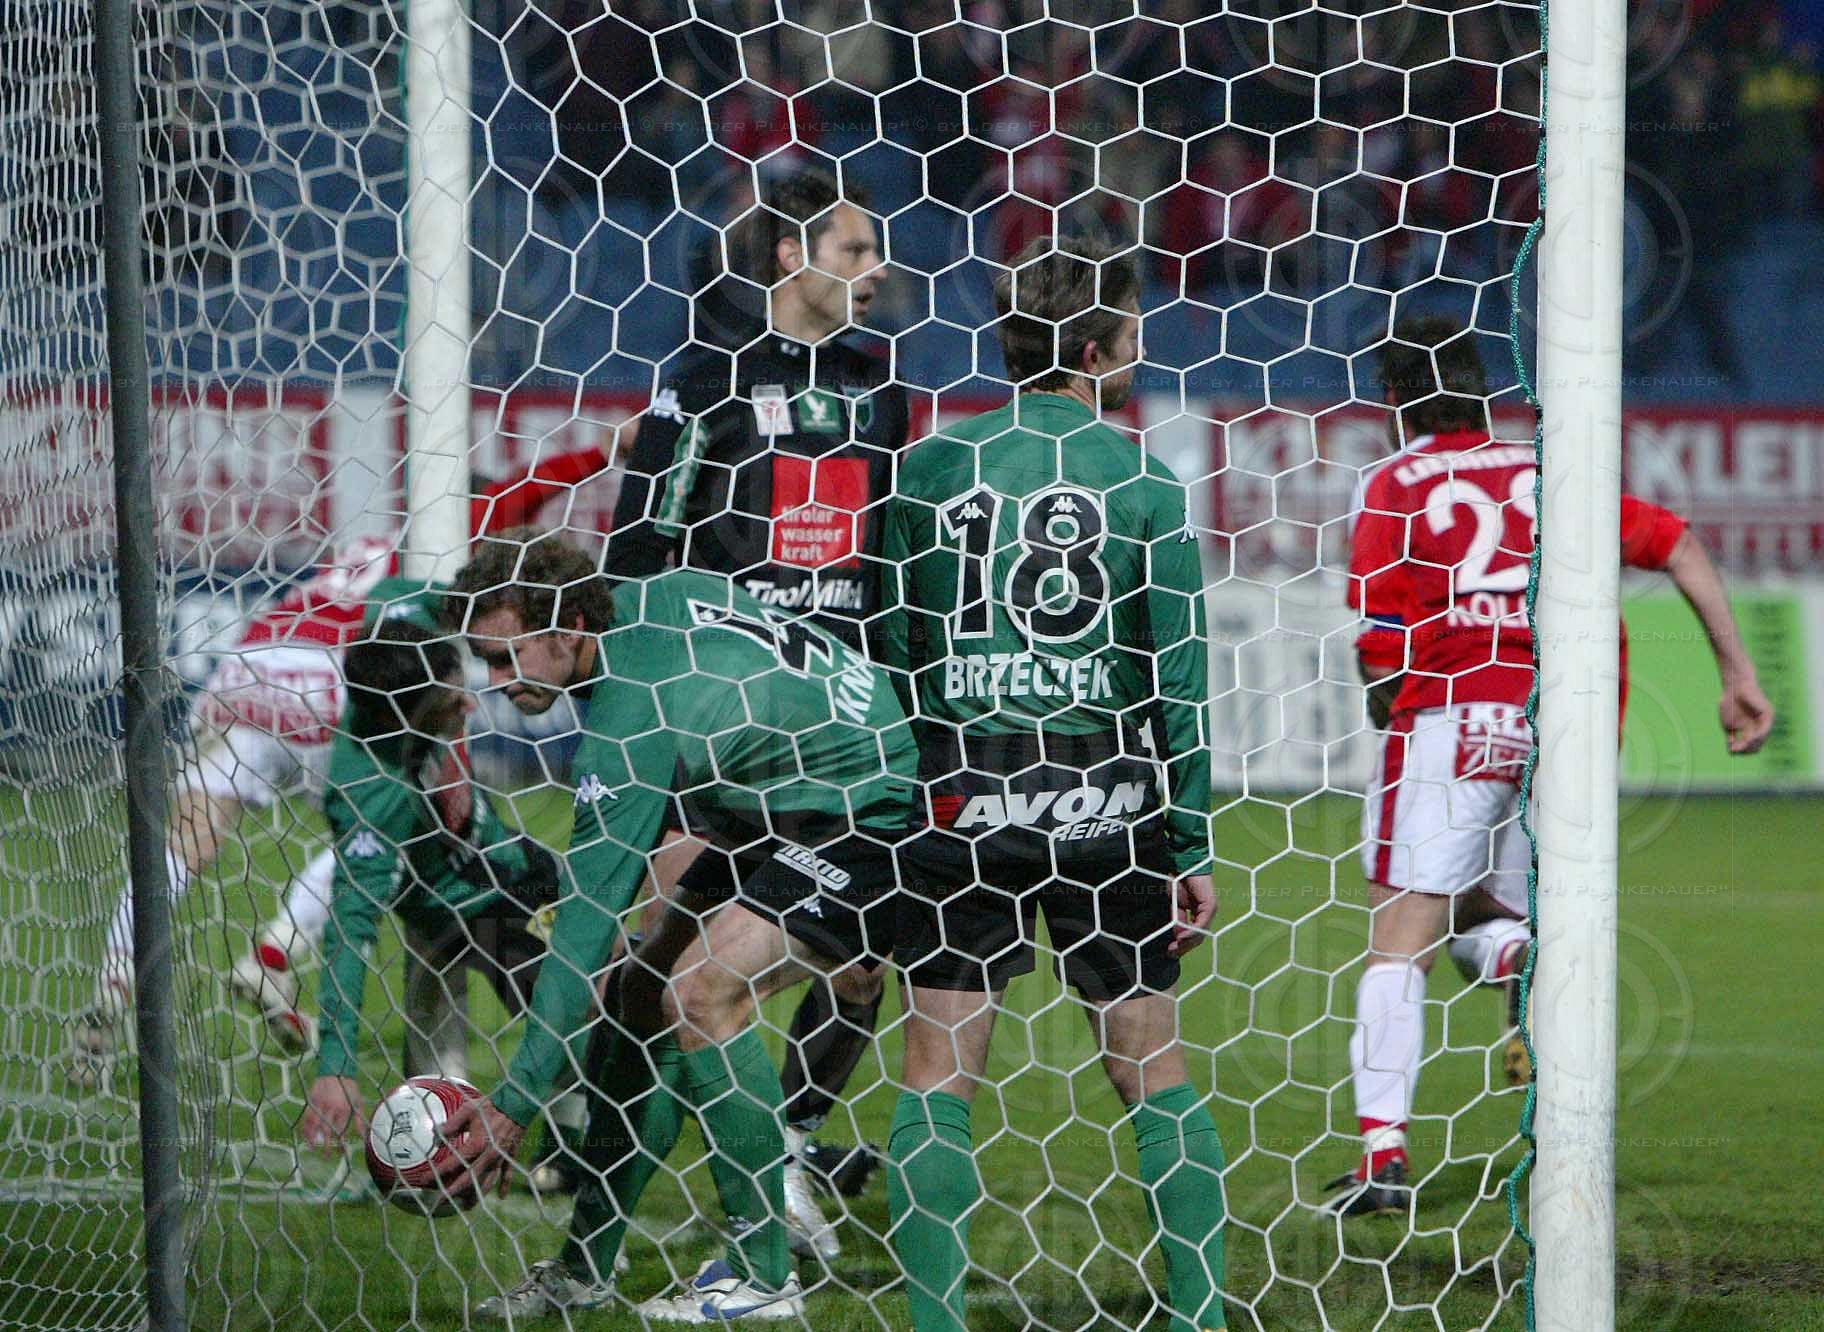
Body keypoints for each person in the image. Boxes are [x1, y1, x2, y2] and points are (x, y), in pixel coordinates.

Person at [1333, 314, 1777, 1216]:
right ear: (1479, 388)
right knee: (1486, 912)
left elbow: (1381, 645)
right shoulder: (1548, 470)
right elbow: (1678, 544)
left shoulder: (1392, 481)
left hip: (1453, 720)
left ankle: (1382, 1158)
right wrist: (1737, 674)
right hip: (1560, 729)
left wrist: (1386, 699)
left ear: (1390, 399)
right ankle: (1521, 960)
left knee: (1400, 936)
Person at [878, 235, 1229, 1332]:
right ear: (1092, 347)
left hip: (962, 791)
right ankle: (1202, 1314)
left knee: (939, 1065)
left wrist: (912, 782)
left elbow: (894, 646)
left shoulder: (931, 466)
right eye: (1129, 331)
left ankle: (936, 1319)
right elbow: (1178, 679)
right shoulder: (1142, 477)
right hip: (1105, 799)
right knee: (1150, 1062)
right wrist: (1192, 845)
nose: (1139, 348)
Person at [432, 532, 918, 1323]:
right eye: (484, 660)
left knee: (700, 998)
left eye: (505, 655)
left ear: (571, 628)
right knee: (635, 994)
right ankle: (585, 1268)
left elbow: (582, 932)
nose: (494, 680)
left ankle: (765, 1277)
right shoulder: (657, 595)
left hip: (866, 807)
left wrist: (515, 1103)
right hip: (768, 802)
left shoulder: (628, 727)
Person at [68, 441, 618, 1086]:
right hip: (339, 677)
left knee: (184, 846)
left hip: (253, 666)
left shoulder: (376, 549)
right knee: (385, 825)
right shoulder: (454, 542)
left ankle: (114, 974)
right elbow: (529, 486)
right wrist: (607, 449)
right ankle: (274, 952)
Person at [606, 163, 910, 1256]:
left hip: (845, 723)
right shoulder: (704, 379)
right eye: (854, 251)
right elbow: (639, 547)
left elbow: (893, 556)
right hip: (724, 727)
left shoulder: (882, 388)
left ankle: (785, 1146)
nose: (876, 271)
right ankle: (604, 1190)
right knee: (653, 969)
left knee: (862, 963)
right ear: (791, 256)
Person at [291, 614, 563, 1160]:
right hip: (481, 912)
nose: (469, 707)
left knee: (604, 1005)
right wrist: (337, 1067)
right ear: (404, 714)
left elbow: (418, 600)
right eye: (451, 700)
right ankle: (572, 1155)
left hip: (518, 860)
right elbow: (351, 928)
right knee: (580, 1011)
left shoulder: (399, 652)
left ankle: (567, 1146)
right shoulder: (374, 795)